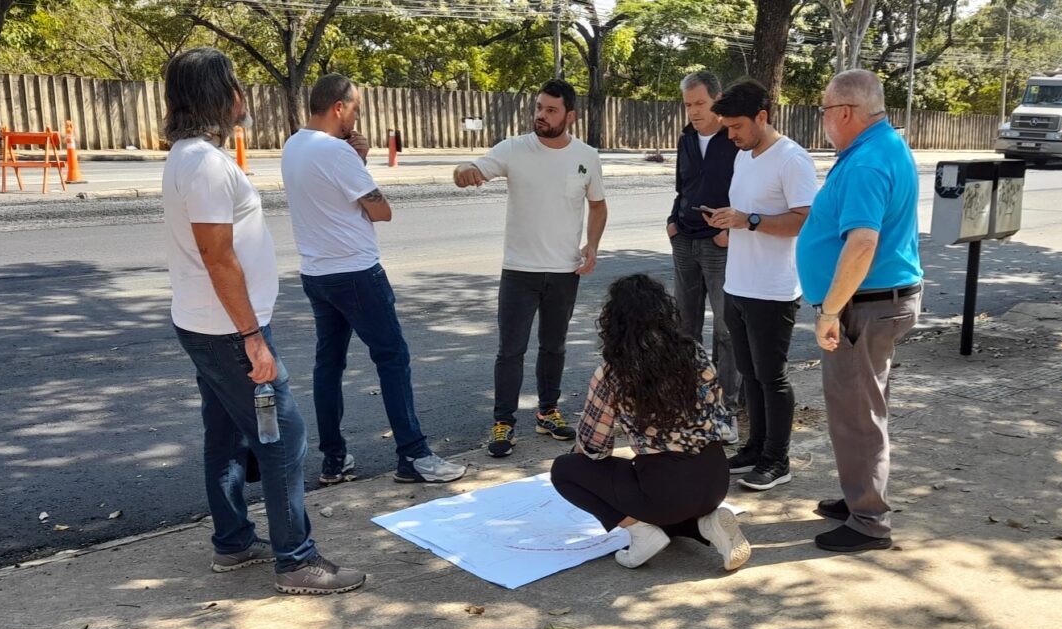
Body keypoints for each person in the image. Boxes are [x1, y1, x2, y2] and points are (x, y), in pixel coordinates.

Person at [161, 48, 364, 594]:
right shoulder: (202, 163)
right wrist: (253, 338)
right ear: (220, 97)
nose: (242, 96)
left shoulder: (190, 155)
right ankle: (296, 559)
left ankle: (232, 543)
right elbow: (217, 255)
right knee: (283, 436)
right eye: (235, 85)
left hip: (209, 323)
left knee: (226, 435)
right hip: (228, 330)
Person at [280, 74, 466, 486]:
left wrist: (355, 161)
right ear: (339, 107)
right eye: (356, 108)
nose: (357, 116)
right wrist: (357, 162)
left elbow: (329, 198)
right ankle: (413, 455)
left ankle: (333, 460)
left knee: (328, 365)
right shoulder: (336, 153)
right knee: (393, 358)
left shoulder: (293, 145)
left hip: (316, 272)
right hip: (356, 272)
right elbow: (382, 212)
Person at [796, 69, 923, 553]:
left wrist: (829, 311)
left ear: (845, 112)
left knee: (856, 414)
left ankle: (869, 520)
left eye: (825, 111)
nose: (823, 120)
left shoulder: (868, 161)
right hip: (879, 301)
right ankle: (859, 497)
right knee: (864, 407)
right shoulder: (884, 146)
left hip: (863, 306)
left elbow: (863, 242)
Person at [550, 274, 751, 571]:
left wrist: (589, 469)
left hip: (665, 489)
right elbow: (718, 415)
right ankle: (708, 525)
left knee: (565, 470)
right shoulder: (693, 352)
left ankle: (641, 533)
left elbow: (595, 449)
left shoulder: (613, 373)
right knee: (661, 500)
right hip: (715, 477)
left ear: (613, 322)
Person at [453, 78, 608, 458]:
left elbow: (598, 205)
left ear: (569, 115)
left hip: (564, 270)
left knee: (553, 347)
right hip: (519, 270)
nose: (541, 115)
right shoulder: (514, 149)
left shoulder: (586, 155)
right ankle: (503, 421)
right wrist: (464, 170)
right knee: (511, 350)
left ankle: (548, 412)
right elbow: (476, 167)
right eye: (539, 107)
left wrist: (592, 246)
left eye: (551, 110)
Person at [706, 79, 818, 492]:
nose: (730, 135)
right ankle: (755, 448)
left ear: (762, 117)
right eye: (727, 127)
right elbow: (748, 212)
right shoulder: (745, 155)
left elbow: (804, 220)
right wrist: (729, 223)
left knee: (772, 377)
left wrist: (749, 221)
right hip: (738, 282)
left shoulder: (792, 159)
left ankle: (778, 459)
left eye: (736, 127)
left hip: (773, 288)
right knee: (750, 375)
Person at [667, 71, 741, 441]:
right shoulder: (686, 138)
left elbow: (749, 189)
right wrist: (672, 221)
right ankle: (690, 402)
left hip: (719, 243)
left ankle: (725, 409)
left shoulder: (735, 138)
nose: (694, 112)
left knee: (726, 330)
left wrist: (731, 229)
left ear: (717, 99)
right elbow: (682, 186)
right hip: (685, 240)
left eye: (700, 103)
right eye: (688, 105)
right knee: (684, 328)